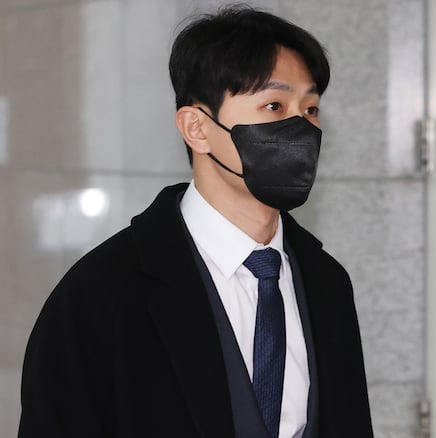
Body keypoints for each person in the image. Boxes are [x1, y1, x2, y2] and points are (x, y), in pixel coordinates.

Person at [18, 5, 373, 438]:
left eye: (311, 109)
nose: (301, 127)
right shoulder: (100, 293)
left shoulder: (326, 283)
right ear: (197, 128)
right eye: (274, 105)